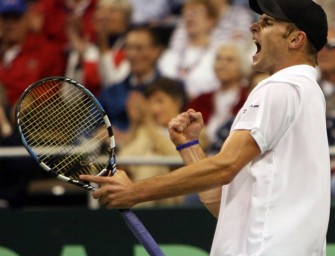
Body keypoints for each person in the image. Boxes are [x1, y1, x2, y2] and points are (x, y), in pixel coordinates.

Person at [80, 0, 330, 255]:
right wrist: (190, 147)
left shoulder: (280, 88)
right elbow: (221, 204)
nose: (253, 27)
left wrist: (134, 191)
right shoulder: (308, 93)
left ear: (296, 40)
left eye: (267, 23)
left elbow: (225, 166)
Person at [117, 77, 186, 207]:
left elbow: (178, 157)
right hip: (140, 192)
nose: (154, 109)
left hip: (175, 194)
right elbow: (123, 159)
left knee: (151, 163)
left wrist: (148, 122)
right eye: (150, 102)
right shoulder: (145, 131)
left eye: (160, 101)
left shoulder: (191, 128)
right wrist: (135, 123)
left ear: (177, 102)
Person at [98, 25, 164, 146]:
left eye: (139, 48)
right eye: (128, 48)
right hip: (115, 158)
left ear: (156, 52)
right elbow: (84, 132)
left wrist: (130, 138)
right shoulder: (110, 92)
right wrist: (99, 133)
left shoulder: (171, 91)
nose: (132, 54)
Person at [187, 42, 251, 152]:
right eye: (219, 59)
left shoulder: (249, 98)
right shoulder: (201, 99)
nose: (222, 64)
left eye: (229, 60)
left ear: (241, 65)